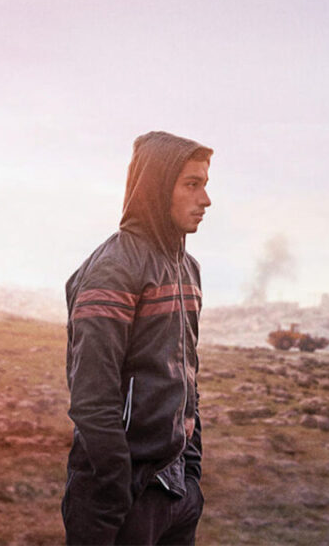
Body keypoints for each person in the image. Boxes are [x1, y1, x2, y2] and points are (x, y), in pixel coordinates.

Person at [62, 131, 212, 546]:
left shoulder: (188, 270)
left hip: (175, 492)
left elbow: (188, 377)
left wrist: (192, 473)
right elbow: (92, 397)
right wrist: (116, 490)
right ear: (156, 187)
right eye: (192, 184)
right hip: (120, 499)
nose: (205, 200)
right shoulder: (113, 270)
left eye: (204, 184)